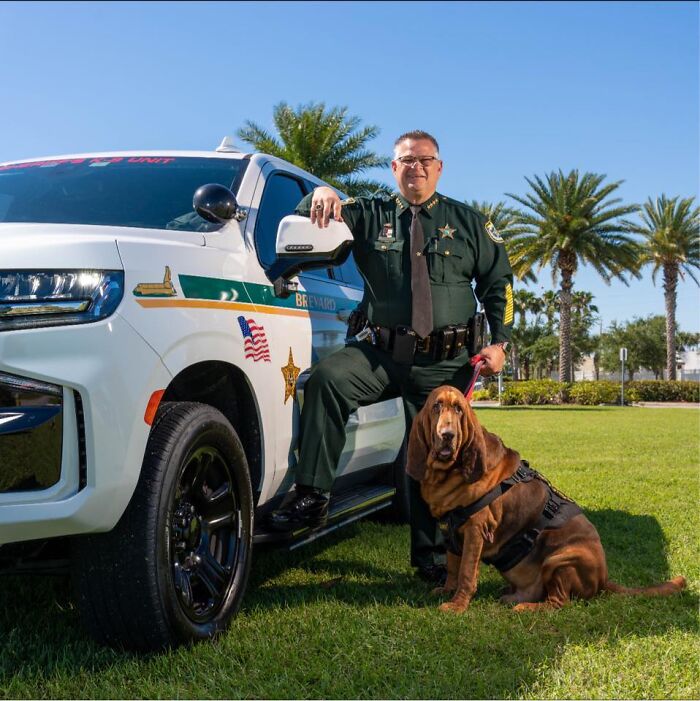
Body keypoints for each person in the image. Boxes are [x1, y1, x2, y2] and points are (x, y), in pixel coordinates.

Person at [268, 130, 514, 585]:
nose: (415, 167)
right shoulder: (371, 213)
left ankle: (432, 556)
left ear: (439, 167)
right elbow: (309, 216)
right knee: (327, 381)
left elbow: (500, 283)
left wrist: (498, 342)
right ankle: (313, 495)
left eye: (425, 160)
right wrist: (320, 193)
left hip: (445, 362)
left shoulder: (470, 223)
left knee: (436, 451)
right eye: (406, 160)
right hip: (380, 352)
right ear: (393, 168)